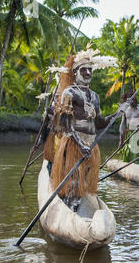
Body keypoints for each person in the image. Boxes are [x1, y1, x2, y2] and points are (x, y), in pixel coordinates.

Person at [50, 49, 125, 211]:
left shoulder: (95, 96)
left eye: (90, 70)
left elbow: (98, 123)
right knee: (73, 182)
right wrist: (80, 145)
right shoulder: (69, 92)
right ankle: (69, 211)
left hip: (91, 144)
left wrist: (116, 114)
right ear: (76, 72)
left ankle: (81, 210)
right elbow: (66, 124)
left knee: (85, 182)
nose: (88, 72)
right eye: (84, 69)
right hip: (74, 143)